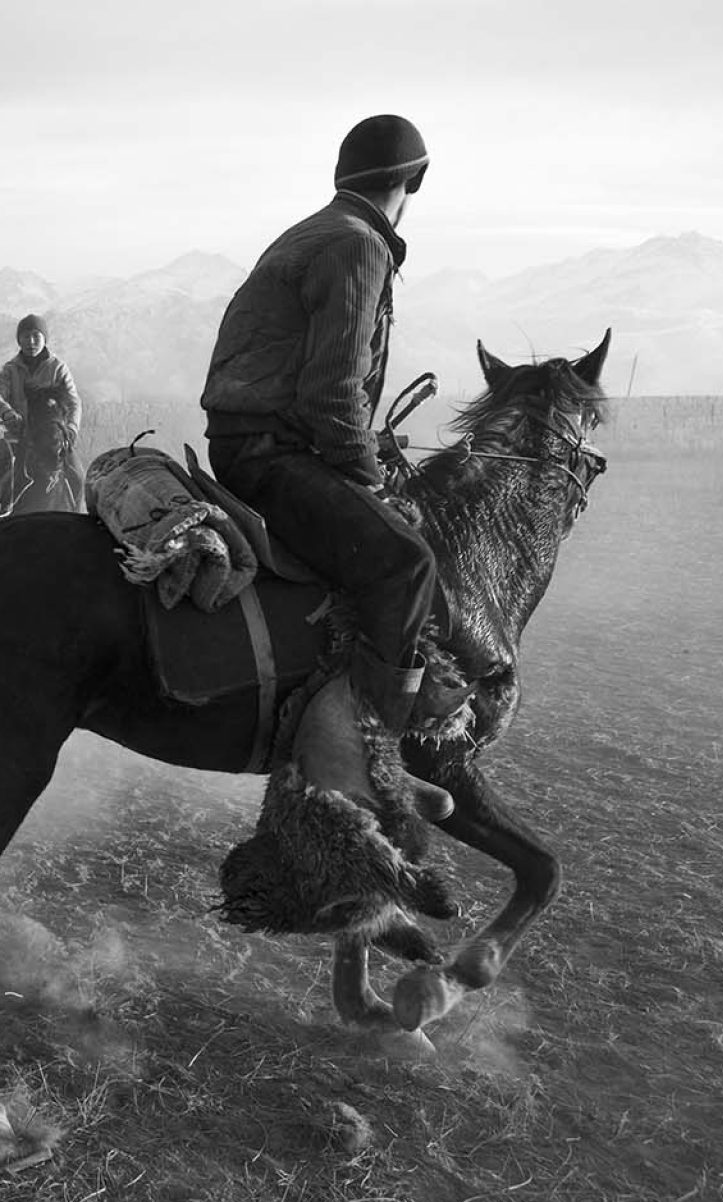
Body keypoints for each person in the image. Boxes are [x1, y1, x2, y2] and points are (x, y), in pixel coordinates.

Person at [200, 113, 467, 736]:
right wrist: (366, 472)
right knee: (407, 563)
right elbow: (333, 392)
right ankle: (363, 755)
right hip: (273, 454)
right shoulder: (358, 244)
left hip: (250, 440)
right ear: (411, 182)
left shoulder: (314, 231)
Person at [0, 313, 82, 442]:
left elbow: (73, 402)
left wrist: (71, 428)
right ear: (19, 340)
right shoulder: (11, 369)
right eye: (26, 336)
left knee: (73, 463)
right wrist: (7, 413)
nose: (31, 342)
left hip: (52, 437)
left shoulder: (58, 368)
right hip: (17, 436)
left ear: (44, 339)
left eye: (36, 336)